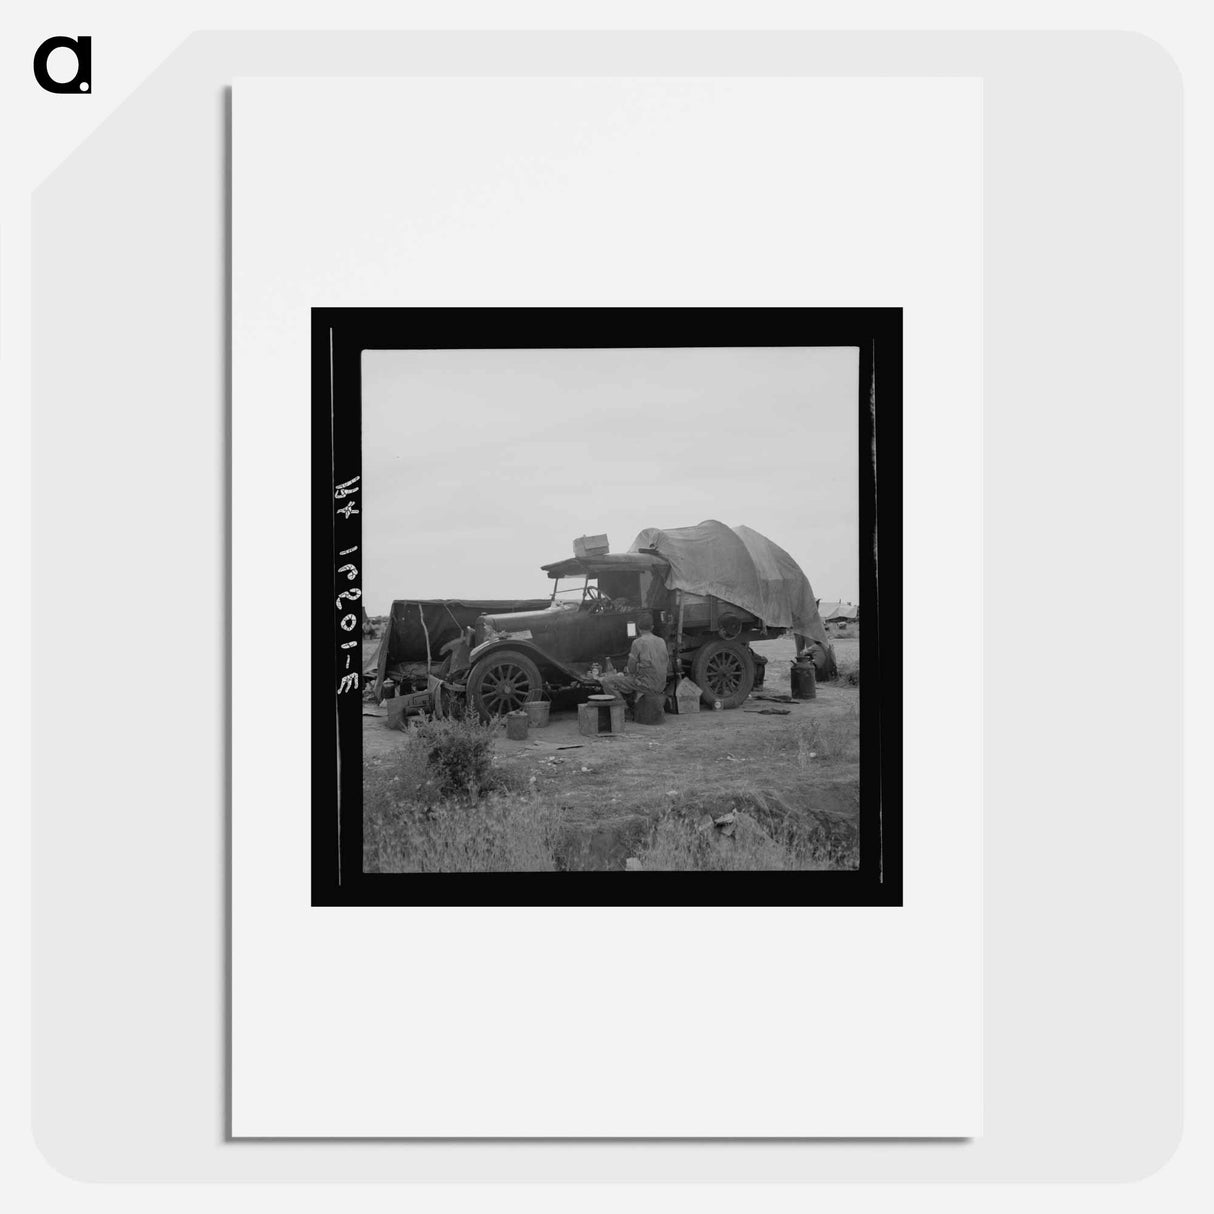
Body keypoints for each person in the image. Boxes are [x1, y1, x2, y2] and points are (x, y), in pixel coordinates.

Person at [598, 611, 669, 700]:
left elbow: (631, 669)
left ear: (638, 628)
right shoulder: (661, 641)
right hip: (661, 684)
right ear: (652, 627)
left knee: (607, 681)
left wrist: (629, 672)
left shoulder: (637, 642)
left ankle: (622, 708)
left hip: (646, 685)